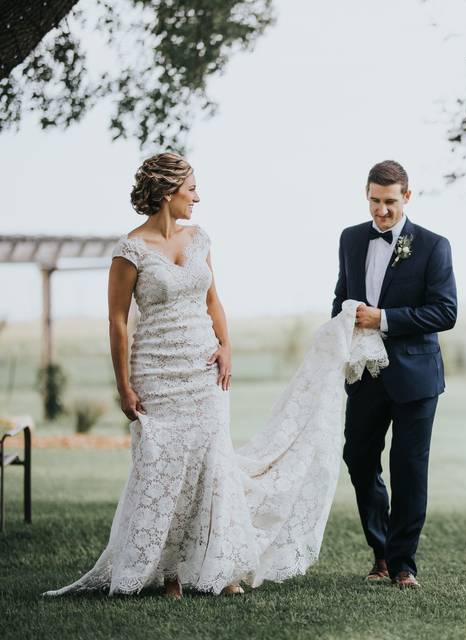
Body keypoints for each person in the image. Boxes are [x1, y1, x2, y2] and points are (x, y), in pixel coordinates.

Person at [44, 152, 386, 598]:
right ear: (168, 193)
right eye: (191, 189)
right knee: (161, 468)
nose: (197, 197)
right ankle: (169, 574)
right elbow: (117, 321)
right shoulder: (130, 250)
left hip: (204, 370)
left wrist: (226, 346)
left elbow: (213, 300)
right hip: (157, 372)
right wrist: (123, 385)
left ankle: (219, 569)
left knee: (212, 465)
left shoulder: (200, 238)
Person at [333, 160, 457, 589]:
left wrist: (382, 318)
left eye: (389, 201)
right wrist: (342, 328)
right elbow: (341, 298)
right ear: (366, 195)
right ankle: (381, 550)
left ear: (407, 196)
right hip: (364, 374)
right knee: (359, 459)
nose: (381, 210)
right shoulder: (350, 239)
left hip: (416, 378)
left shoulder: (433, 246)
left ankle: (403, 565)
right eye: (374, 200)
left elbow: (445, 311)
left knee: (408, 468)